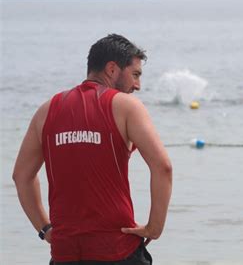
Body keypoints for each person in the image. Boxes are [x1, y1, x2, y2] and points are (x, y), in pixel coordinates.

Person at [12, 34, 173, 264]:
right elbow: (163, 167)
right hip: (117, 250)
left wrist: (45, 229)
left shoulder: (47, 110)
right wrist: (153, 228)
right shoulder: (126, 107)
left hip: (65, 253)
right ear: (112, 69)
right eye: (135, 75)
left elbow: (21, 176)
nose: (137, 85)